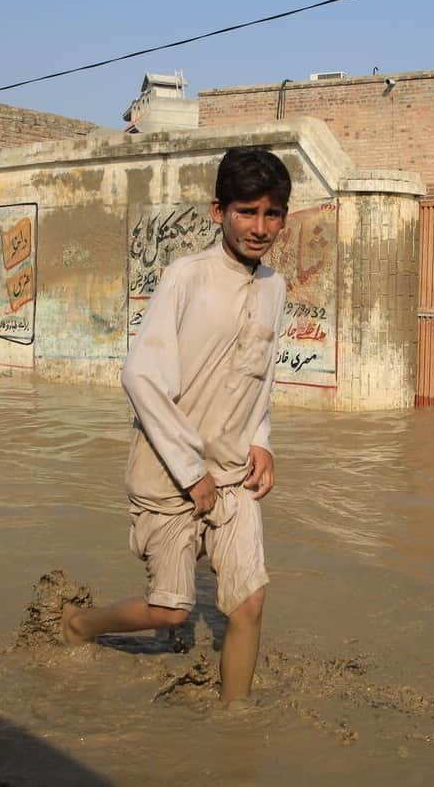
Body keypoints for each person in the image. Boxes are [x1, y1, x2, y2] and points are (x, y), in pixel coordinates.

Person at [62, 147, 291, 705]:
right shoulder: (185, 278)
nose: (260, 227)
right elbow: (141, 378)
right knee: (172, 609)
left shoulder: (274, 287)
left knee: (249, 603)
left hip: (234, 470)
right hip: (167, 471)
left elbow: (257, 377)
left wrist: (261, 441)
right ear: (219, 212)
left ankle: (235, 727)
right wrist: (191, 472)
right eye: (247, 211)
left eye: (272, 213)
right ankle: (79, 625)